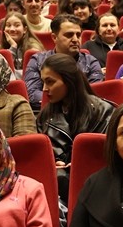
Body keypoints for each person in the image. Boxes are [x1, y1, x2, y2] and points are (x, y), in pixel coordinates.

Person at [37, 52, 115, 199]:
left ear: (69, 81)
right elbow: (43, 159)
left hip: (96, 185)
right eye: (43, 82)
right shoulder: (45, 116)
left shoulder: (103, 111)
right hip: (58, 186)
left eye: (50, 82)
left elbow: (103, 157)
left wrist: (70, 165)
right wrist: (53, 163)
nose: (44, 89)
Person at [23, 13, 104, 108]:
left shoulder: (90, 62)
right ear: (54, 37)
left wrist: (57, 98)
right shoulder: (37, 60)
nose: (75, 39)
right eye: (69, 35)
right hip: (47, 115)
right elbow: (32, 95)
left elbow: (93, 96)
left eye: (78, 35)